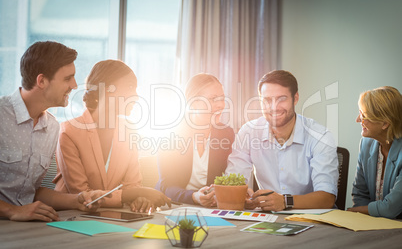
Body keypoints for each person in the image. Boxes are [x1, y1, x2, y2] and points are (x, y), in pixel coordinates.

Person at [0, 41, 107, 222]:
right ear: (41, 81)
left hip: (25, 228)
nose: (74, 85)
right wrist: (11, 211)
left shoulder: (52, 126)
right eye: (67, 78)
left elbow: (31, 191)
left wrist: (76, 200)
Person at [54, 60, 170, 213]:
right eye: (130, 87)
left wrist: (138, 198)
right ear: (107, 89)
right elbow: (83, 196)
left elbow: (133, 184)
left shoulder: (129, 131)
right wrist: (135, 194)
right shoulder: (69, 132)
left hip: (114, 215)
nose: (135, 96)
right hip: (72, 217)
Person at [225, 70, 339, 211]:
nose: (273, 107)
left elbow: (327, 198)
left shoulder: (320, 136)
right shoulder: (248, 132)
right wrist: (241, 196)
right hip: (269, 218)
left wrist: (285, 201)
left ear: (295, 98)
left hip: (313, 219)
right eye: (266, 100)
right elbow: (233, 181)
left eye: (281, 99)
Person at [155, 73, 235, 207]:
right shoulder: (169, 135)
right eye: (213, 98)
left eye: (222, 98)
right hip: (174, 205)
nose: (221, 105)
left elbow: (227, 178)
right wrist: (194, 197)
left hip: (211, 207)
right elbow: (166, 185)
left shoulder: (226, 134)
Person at [347, 86, 402, 219]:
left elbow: (391, 208)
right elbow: (360, 193)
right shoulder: (366, 144)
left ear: (385, 123)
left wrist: (355, 211)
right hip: (372, 226)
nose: (358, 120)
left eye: (364, 115)